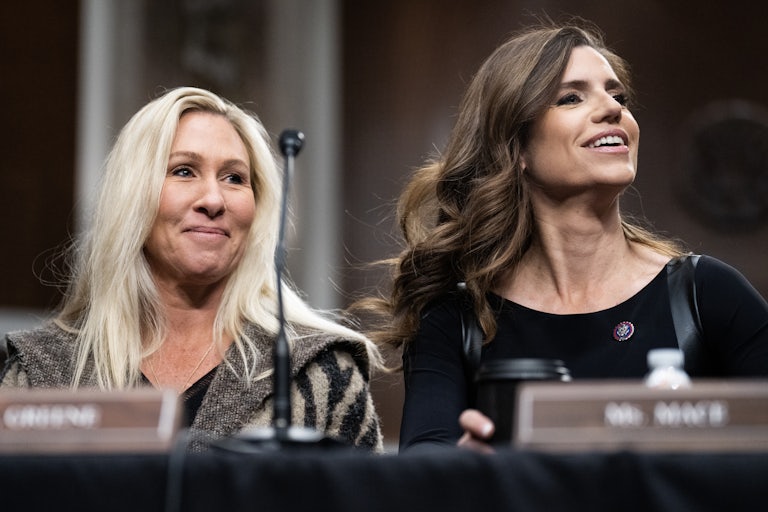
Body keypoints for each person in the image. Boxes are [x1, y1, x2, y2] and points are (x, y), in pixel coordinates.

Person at [359, 21, 768, 453]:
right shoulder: (457, 319)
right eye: (571, 97)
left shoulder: (705, 294)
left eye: (618, 96)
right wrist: (462, 469)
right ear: (515, 149)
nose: (613, 109)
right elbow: (423, 473)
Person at [1, 87, 384, 451]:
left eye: (234, 178)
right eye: (184, 171)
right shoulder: (39, 372)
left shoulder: (320, 371)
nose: (214, 200)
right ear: (133, 196)